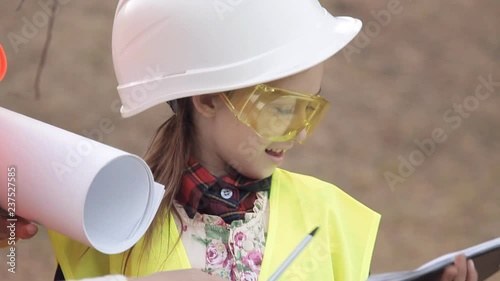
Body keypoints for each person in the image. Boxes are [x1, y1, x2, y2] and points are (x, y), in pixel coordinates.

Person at [0, 0, 478, 280]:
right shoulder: (104, 220)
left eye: (310, 108)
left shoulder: (330, 218)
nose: (302, 130)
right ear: (207, 99)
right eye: (282, 108)